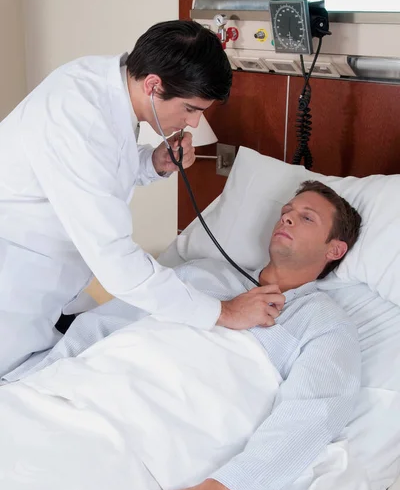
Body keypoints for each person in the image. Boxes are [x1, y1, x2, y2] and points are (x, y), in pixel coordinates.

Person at [4, 180, 362, 490]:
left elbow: (311, 414)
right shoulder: (202, 274)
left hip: (147, 432)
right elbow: (105, 324)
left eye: (305, 217)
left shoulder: (323, 323)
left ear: (334, 249)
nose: (287, 216)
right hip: (73, 391)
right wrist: (37, 378)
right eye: (286, 211)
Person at [0, 20, 283, 377]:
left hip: (53, 280)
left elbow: (98, 170)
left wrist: (152, 162)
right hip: (14, 282)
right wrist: (223, 313)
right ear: (153, 85)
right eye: (191, 109)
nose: (193, 123)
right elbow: (117, 263)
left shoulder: (106, 85)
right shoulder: (80, 118)